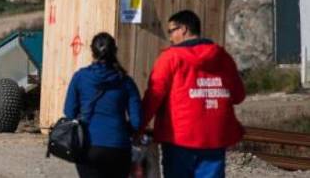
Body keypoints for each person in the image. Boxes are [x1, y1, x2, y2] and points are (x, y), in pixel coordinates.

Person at [141, 10, 245, 178]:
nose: (170, 37)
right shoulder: (222, 57)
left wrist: (138, 127)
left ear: (183, 29)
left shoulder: (170, 58)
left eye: (171, 31)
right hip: (215, 136)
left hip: (179, 137)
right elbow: (239, 96)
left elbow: (154, 95)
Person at [63, 32, 142, 178]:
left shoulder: (80, 77)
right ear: (115, 52)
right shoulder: (126, 81)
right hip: (119, 146)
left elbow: (69, 112)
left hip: (88, 145)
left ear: (92, 52)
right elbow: (137, 121)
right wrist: (125, 131)